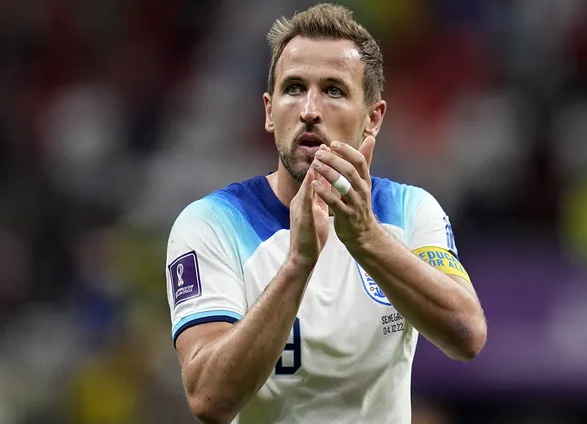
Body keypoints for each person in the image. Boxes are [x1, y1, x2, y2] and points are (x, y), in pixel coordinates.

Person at [165, 4, 487, 424]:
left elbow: (467, 336)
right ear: (269, 111)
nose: (310, 110)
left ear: (373, 118)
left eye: (334, 90)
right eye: (294, 88)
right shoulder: (211, 223)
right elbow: (209, 400)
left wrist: (366, 238)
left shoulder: (410, 211)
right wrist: (298, 264)